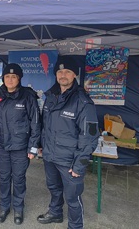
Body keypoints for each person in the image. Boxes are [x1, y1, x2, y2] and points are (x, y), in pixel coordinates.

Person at [37, 58, 99, 229]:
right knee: (54, 188)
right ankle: (55, 213)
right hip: (50, 156)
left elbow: (90, 136)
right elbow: (45, 126)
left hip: (70, 160)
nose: (63, 75)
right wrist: (41, 145)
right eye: (59, 72)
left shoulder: (83, 101)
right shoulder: (50, 97)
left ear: (74, 75)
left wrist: (80, 164)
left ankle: (75, 226)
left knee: (73, 197)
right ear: (56, 75)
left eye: (67, 72)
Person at [0, 63, 41, 225]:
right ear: (3, 78)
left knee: (18, 178)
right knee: (3, 178)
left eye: (14, 76)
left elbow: (35, 123)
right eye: (7, 76)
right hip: (1, 146)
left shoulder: (27, 96)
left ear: (19, 78)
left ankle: (18, 208)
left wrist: (33, 147)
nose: (10, 79)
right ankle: (4, 207)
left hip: (20, 147)